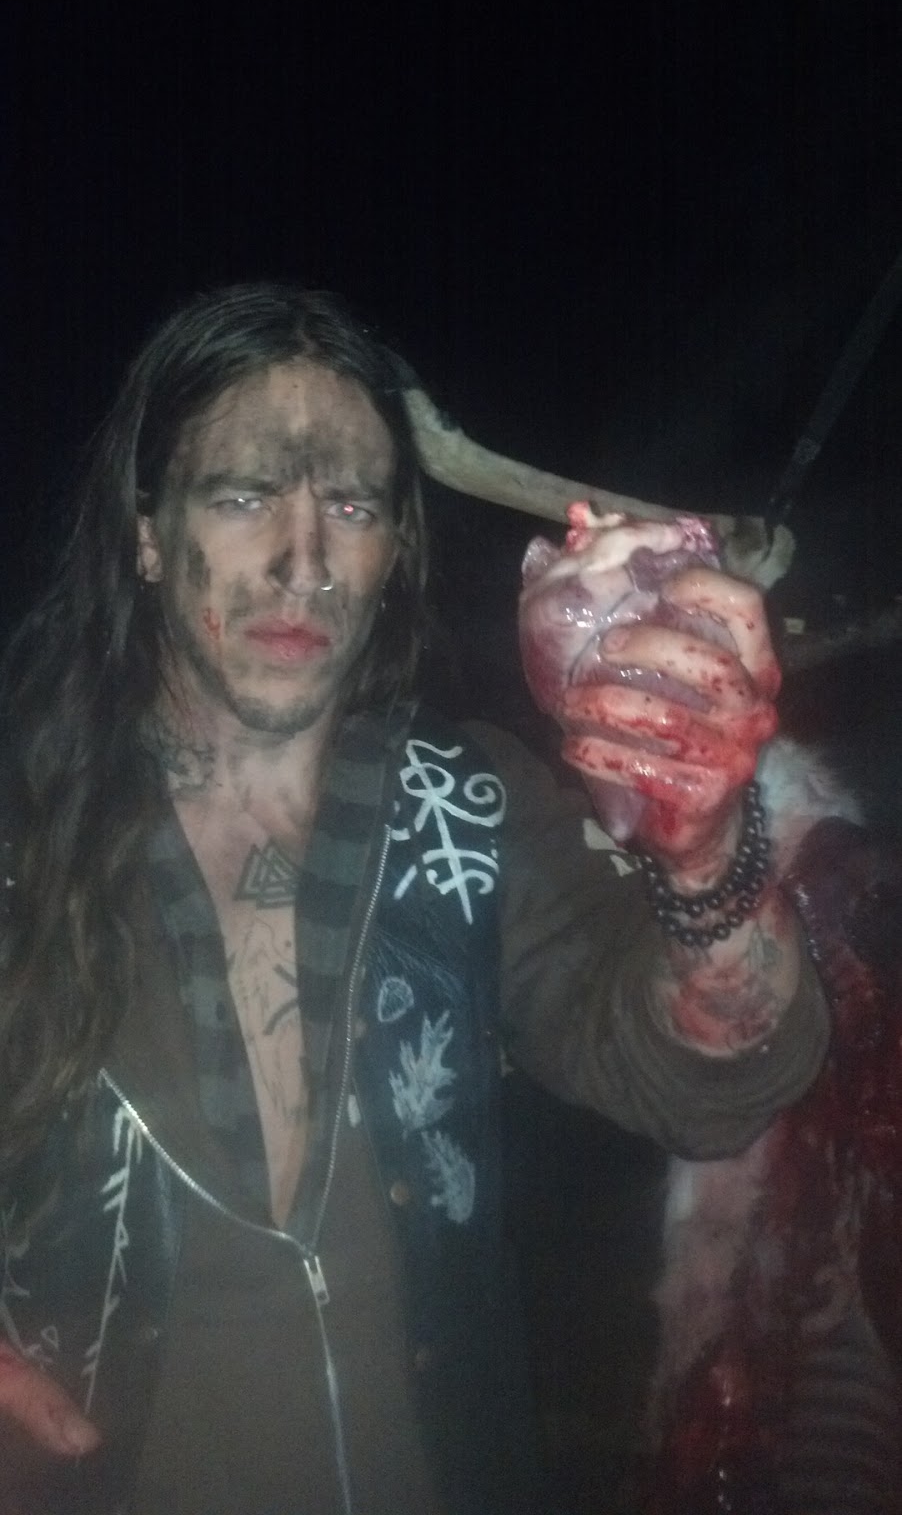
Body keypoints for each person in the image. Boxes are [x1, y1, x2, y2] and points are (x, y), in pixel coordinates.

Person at [0, 283, 828, 1515]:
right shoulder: (21, 825)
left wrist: (703, 846)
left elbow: (711, 1087)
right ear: (149, 534)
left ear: (394, 547)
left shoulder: (469, 806)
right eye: (242, 496)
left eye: (349, 505)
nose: (301, 562)